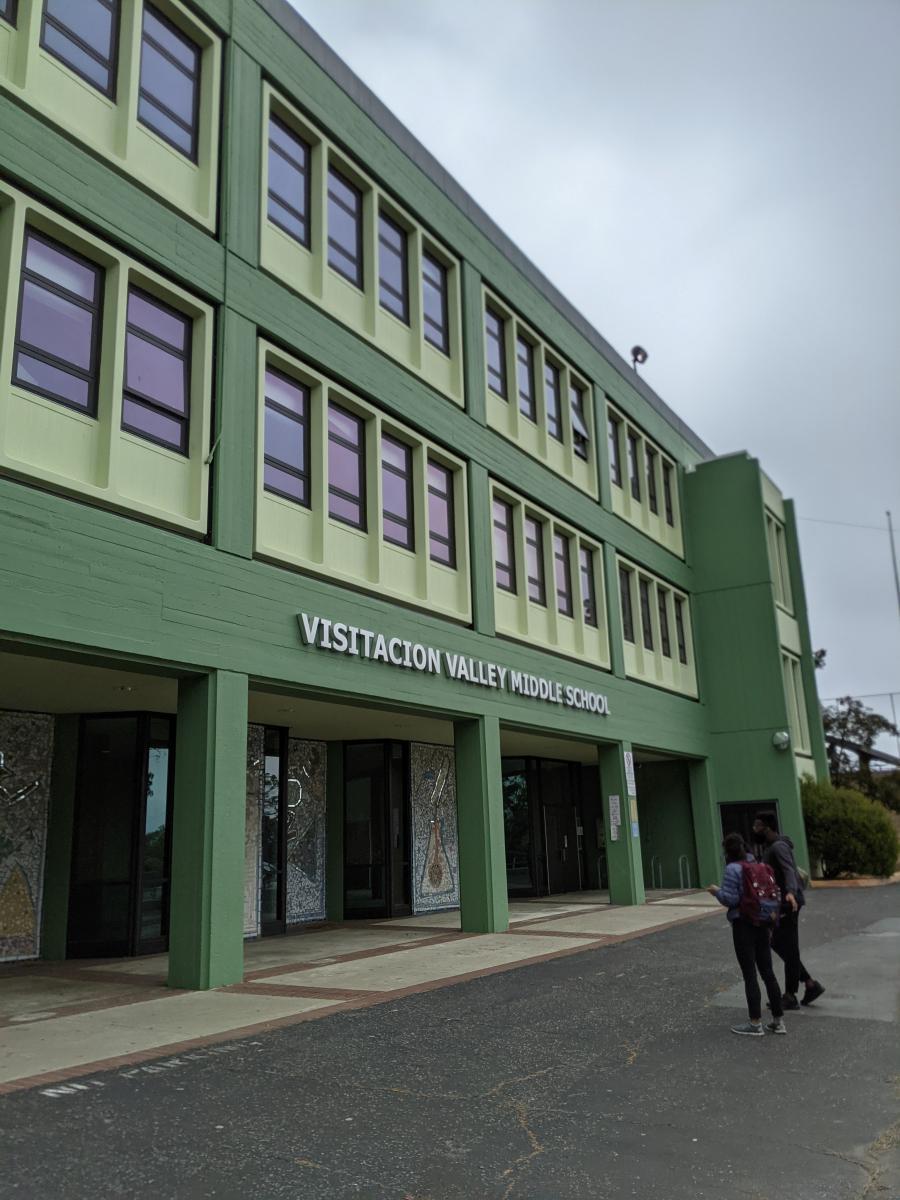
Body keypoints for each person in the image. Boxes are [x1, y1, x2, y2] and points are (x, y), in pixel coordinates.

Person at [707, 833, 786, 1036]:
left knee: (750, 973)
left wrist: (716, 891)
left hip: (743, 925)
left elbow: (731, 900)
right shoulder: (759, 865)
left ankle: (755, 1022)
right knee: (768, 972)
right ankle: (778, 1021)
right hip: (763, 923)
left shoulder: (733, 869)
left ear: (727, 852)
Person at [752, 812, 825, 1010]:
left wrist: (791, 893)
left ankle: (791, 995)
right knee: (778, 943)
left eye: (757, 825)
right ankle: (809, 984)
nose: (754, 829)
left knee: (788, 947)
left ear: (766, 826)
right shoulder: (772, 847)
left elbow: (788, 870)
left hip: (788, 903)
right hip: (782, 903)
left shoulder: (778, 847)